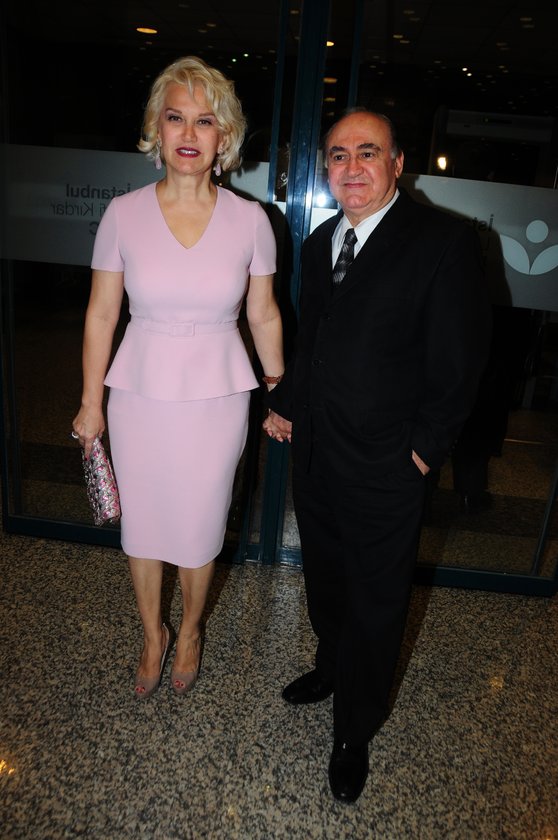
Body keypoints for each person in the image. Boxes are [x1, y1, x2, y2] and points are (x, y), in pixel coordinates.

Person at [264, 109, 491, 803]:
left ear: (397, 164)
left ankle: (354, 730)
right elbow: (315, 340)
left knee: (377, 599)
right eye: (339, 155)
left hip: (389, 465)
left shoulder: (445, 243)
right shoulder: (320, 243)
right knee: (327, 579)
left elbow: (460, 364)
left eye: (368, 153)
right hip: (318, 453)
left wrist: (423, 453)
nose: (352, 167)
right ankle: (331, 666)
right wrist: (288, 403)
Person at [72, 56, 284, 699]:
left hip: (218, 396)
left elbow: (263, 314)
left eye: (205, 121)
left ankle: (189, 629)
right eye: (175, 118)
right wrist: (90, 402)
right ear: (156, 130)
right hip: (138, 392)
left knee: (200, 522)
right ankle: (152, 634)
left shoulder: (251, 221)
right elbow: (101, 313)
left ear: (225, 138)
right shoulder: (122, 214)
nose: (189, 133)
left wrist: (280, 391)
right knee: (141, 524)